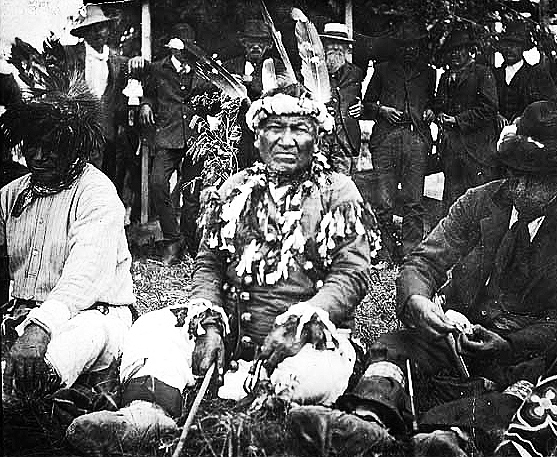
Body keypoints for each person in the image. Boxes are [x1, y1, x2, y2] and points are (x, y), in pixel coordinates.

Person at [65, 83, 378, 455]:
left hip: (307, 339)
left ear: (318, 138)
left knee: (313, 374)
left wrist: (302, 322)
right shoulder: (235, 189)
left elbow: (351, 273)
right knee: (153, 328)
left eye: (300, 129)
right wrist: (211, 324)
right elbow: (210, 264)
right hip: (234, 331)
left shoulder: (337, 192)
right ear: (258, 136)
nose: (287, 140)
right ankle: (144, 415)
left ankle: (294, 422)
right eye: (276, 128)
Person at [288, 100, 557, 456]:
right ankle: (367, 420)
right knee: (394, 347)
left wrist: (511, 344)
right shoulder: (480, 202)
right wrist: (419, 303)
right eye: (513, 173)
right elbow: (423, 263)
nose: (518, 187)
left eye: (533, 179)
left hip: (521, 355)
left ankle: (452, 439)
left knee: (516, 397)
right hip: (453, 339)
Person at [0, 70, 135, 412]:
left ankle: (29, 396)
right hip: (21, 317)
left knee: (77, 340)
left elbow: (81, 280)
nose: (40, 156)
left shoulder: (97, 195)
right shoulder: (9, 195)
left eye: (53, 147)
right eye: (33, 145)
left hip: (90, 317)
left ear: (75, 148)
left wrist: (39, 330)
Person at [138, 23, 219, 264]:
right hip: (168, 135)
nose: (184, 54)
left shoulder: (202, 71)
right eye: (181, 49)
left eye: (188, 50)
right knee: (157, 183)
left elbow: (212, 101)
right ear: (172, 49)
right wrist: (146, 104)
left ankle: (191, 243)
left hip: (196, 137)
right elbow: (150, 93)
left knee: (192, 193)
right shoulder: (156, 69)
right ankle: (173, 239)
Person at [362, 20, 436, 257]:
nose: (409, 50)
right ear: (397, 47)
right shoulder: (383, 70)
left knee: (414, 201)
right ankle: (384, 251)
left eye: (413, 46)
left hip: (415, 138)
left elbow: (434, 103)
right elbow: (367, 104)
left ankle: (410, 252)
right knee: (384, 200)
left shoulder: (428, 72)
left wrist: (430, 111)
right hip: (386, 138)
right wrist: (382, 110)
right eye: (404, 46)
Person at [429, 27, 500, 214]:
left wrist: (458, 120)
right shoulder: (445, 77)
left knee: (478, 203)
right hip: (452, 150)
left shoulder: (483, 73)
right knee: (452, 202)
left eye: (459, 50)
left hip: (477, 151)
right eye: (451, 51)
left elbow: (489, 109)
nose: (454, 55)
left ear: (470, 51)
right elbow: (439, 105)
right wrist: (438, 115)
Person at [66, 3, 136, 186]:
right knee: (80, 180)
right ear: (84, 33)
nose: (98, 33)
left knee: (108, 180)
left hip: (108, 131)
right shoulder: (71, 56)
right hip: (79, 130)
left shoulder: (118, 61)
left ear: (108, 29)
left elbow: (136, 79)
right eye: (92, 29)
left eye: (102, 27)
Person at [223, 19, 275, 169]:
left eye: (261, 42)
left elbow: (281, 88)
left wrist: (251, 80)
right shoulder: (229, 67)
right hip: (237, 136)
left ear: (268, 45)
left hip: (265, 133)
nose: (256, 46)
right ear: (244, 43)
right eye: (251, 42)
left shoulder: (276, 67)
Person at [319, 22, 364, 176]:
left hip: (345, 139)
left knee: (343, 187)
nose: (336, 47)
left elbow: (359, 100)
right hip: (320, 138)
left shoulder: (356, 73)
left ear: (347, 48)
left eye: (341, 44)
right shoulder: (313, 72)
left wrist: (361, 108)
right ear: (323, 46)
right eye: (331, 43)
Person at [494, 21, 557, 127]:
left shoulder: (537, 74)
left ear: (522, 48)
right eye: (506, 45)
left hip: (528, 133)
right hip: (496, 133)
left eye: (514, 46)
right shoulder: (494, 74)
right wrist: (496, 114)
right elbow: (485, 103)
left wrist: (526, 118)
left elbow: (552, 104)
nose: (509, 49)